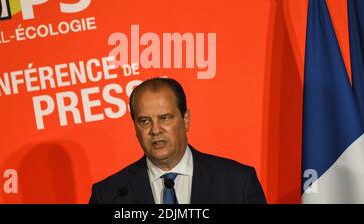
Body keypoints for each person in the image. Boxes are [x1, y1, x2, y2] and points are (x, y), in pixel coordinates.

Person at [89, 77, 266, 204]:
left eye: (165, 118)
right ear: (135, 127)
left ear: (186, 119)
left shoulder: (237, 182)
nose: (155, 130)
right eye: (145, 121)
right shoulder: (109, 194)